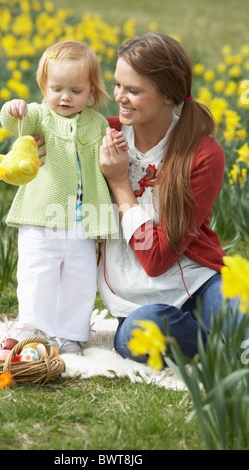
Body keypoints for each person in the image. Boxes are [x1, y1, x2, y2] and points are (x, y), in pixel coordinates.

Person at [98, 32, 243, 362]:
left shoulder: (202, 154)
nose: (120, 97)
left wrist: (120, 184)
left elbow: (157, 259)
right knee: (140, 332)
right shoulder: (102, 136)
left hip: (199, 284)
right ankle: (218, 347)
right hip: (136, 300)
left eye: (134, 90)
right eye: (118, 85)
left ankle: (222, 339)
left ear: (168, 96)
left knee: (240, 316)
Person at [0, 40, 126, 354]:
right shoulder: (39, 116)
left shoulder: (96, 123)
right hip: (43, 215)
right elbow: (15, 121)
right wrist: (13, 108)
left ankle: (70, 333)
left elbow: (108, 152)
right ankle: (32, 326)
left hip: (82, 223)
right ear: (44, 87)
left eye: (76, 90)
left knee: (79, 278)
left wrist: (115, 143)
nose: (65, 97)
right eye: (57, 88)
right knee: (36, 271)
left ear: (92, 93)